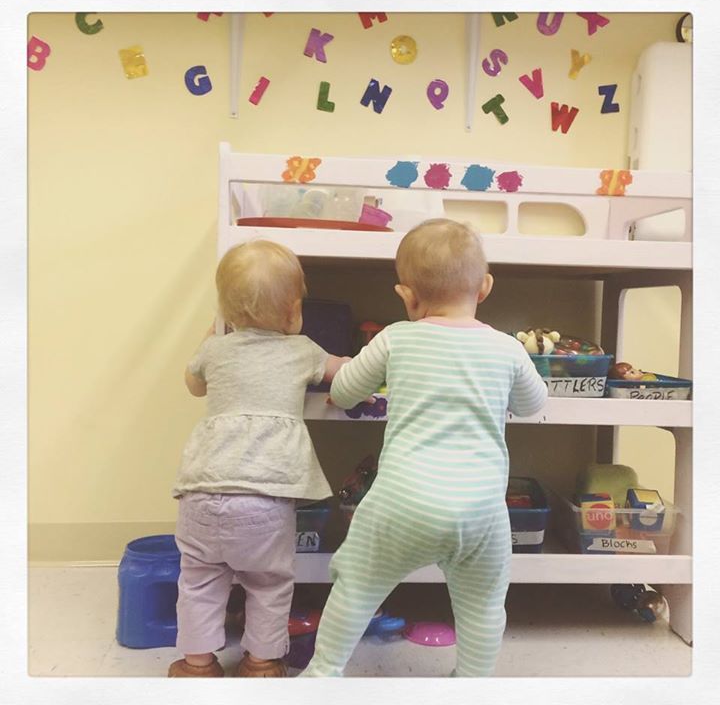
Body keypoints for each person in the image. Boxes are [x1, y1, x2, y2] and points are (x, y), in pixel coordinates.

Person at [301, 219, 548, 677]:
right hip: (480, 509)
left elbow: (347, 390)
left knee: (357, 586)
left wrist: (351, 383)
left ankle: (323, 675)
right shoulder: (506, 349)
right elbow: (533, 404)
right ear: (485, 287)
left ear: (406, 295)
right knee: (483, 605)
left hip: (404, 502)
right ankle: (472, 682)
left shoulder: (396, 337)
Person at [168, 240, 347, 678]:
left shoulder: (215, 350)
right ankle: (261, 662)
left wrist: (210, 336)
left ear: (225, 312)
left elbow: (193, 385)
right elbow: (343, 372)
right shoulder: (302, 349)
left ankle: (197, 664)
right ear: (294, 311)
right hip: (264, 499)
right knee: (268, 584)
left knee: (199, 581)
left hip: (202, 492)